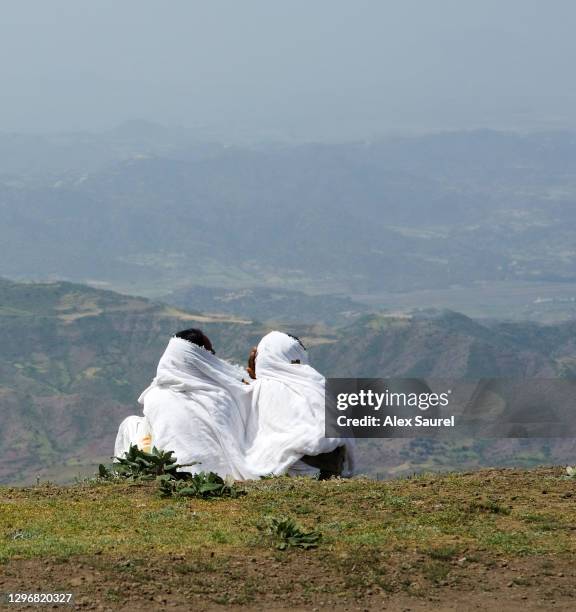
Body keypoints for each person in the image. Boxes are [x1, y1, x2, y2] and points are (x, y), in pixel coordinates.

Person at [136, 328, 257, 479]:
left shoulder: (153, 396)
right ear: (200, 358)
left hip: (174, 476)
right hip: (222, 477)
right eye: (210, 353)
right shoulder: (222, 396)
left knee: (132, 426)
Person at [244, 331, 354, 479]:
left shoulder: (260, 388)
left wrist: (255, 377)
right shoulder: (316, 382)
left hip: (290, 467)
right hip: (332, 465)